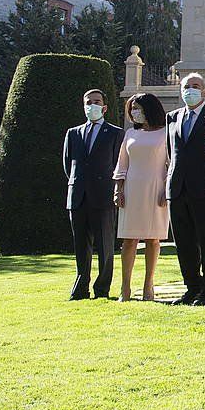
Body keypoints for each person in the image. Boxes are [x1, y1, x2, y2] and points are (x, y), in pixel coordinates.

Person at [63, 89, 123, 300]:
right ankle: (80, 288)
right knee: (81, 246)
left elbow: (119, 165)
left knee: (105, 246)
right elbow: (67, 165)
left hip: (103, 196)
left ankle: (102, 289)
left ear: (104, 107)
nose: (92, 105)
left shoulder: (115, 133)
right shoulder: (73, 133)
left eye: (96, 102)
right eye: (89, 102)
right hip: (78, 196)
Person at [165, 73, 205, 306]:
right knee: (184, 243)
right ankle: (191, 287)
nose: (190, 90)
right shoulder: (173, 117)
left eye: (195, 86)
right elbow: (172, 153)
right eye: (187, 86)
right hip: (177, 188)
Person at [113, 93, 171, 302]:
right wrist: (118, 189)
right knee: (129, 240)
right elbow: (122, 164)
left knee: (152, 239)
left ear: (149, 109)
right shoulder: (130, 134)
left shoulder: (166, 133)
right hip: (131, 188)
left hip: (156, 188)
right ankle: (125, 288)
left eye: (138, 108)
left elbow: (170, 164)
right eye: (132, 109)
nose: (134, 112)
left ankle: (148, 286)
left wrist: (167, 189)